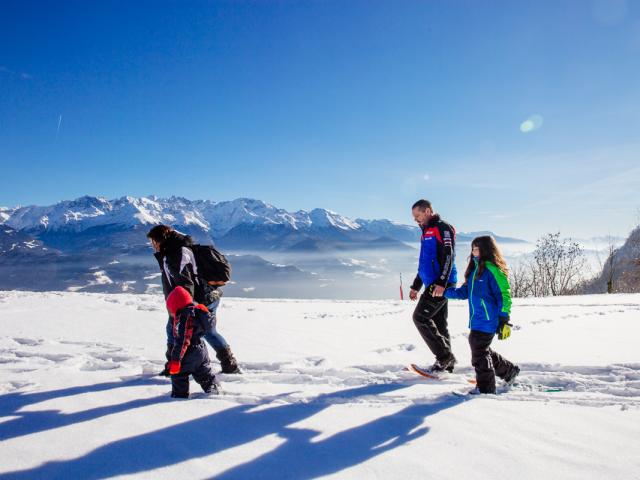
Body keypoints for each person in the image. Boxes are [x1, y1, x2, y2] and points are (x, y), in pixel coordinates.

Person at [146, 224, 241, 375]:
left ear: (159, 240)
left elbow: (185, 283)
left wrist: (185, 308)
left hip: (196, 300)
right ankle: (229, 363)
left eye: (153, 242)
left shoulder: (176, 254)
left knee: (173, 330)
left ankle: (172, 366)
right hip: (206, 296)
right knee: (208, 331)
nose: (153, 246)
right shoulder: (176, 249)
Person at [444, 235, 520, 393]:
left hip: (488, 319)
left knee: (479, 352)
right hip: (478, 319)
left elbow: (504, 295)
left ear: (486, 249)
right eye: (472, 248)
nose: (473, 251)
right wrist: (444, 292)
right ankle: (509, 371)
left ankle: (486, 389)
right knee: (482, 349)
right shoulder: (475, 270)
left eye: (476, 248)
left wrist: (504, 319)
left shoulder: (492, 270)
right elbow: (465, 292)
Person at [409, 199, 458, 373]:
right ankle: (447, 365)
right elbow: (425, 262)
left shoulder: (442, 227)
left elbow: (448, 256)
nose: (415, 219)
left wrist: (442, 283)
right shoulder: (426, 231)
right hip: (432, 282)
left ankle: (445, 357)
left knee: (420, 317)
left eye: (417, 215)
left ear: (428, 211)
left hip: (441, 282)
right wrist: (416, 285)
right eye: (414, 216)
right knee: (439, 323)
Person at [165, 286, 219, 398]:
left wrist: (175, 360)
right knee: (203, 372)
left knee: (178, 374)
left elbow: (182, 340)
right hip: (201, 349)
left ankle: (179, 396)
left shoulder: (184, 317)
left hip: (189, 352)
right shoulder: (197, 311)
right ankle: (212, 389)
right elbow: (209, 325)